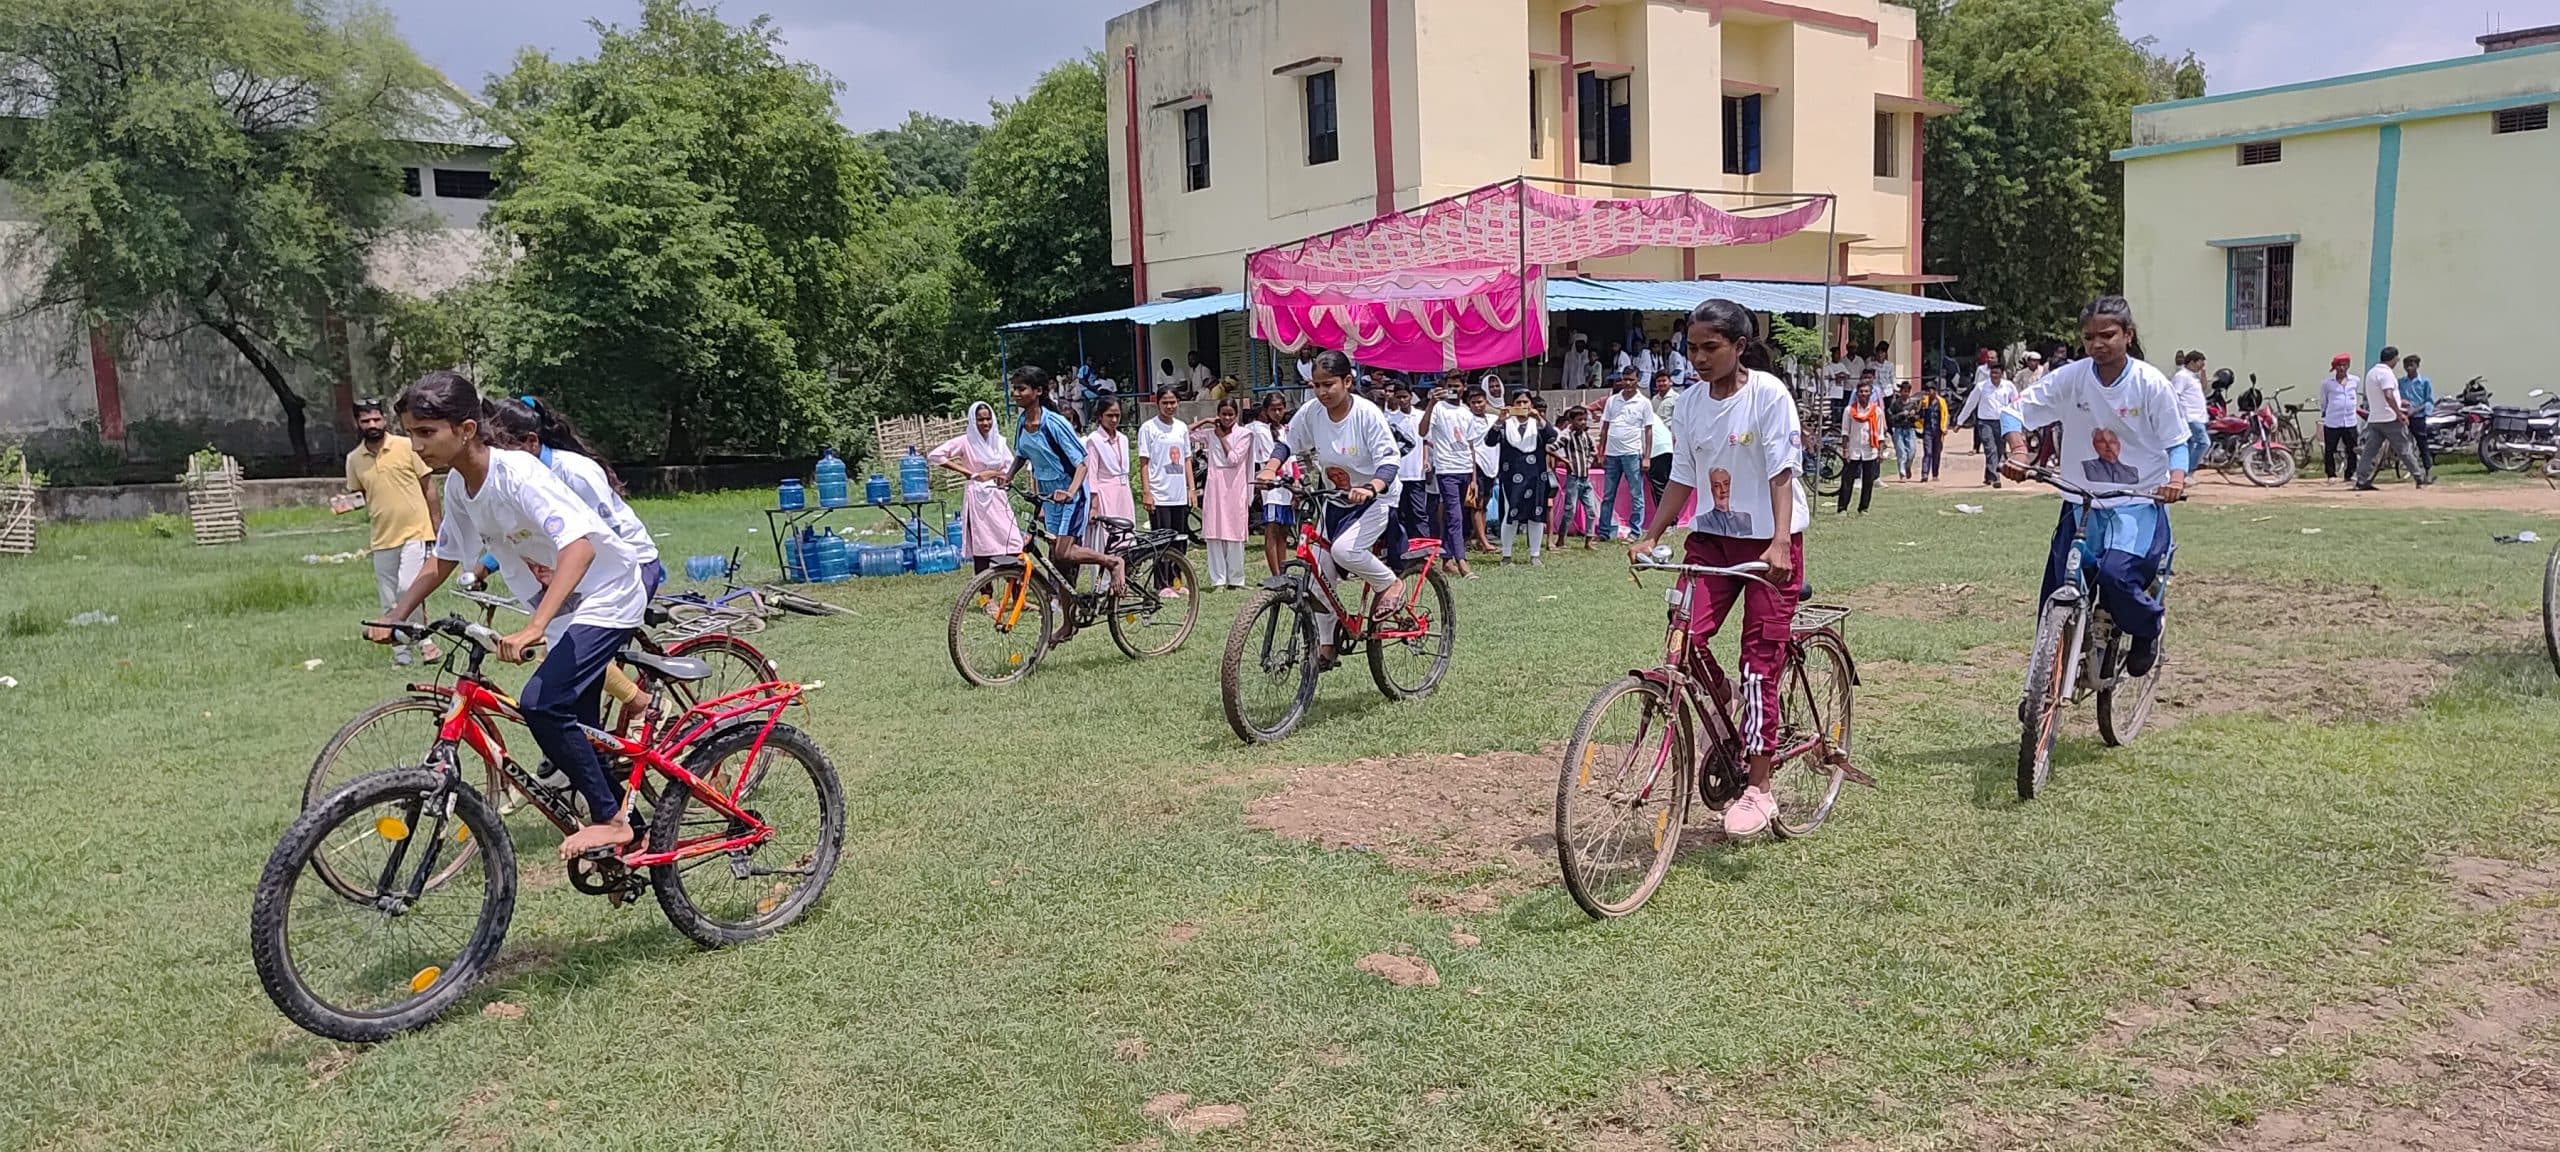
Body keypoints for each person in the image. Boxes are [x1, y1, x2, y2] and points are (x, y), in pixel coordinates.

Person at [374, 372, 647, 858]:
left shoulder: (517, 474)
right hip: (567, 606)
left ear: (466, 430)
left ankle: (611, 821)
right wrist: (397, 613)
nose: (416, 446)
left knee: (541, 704)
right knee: (580, 729)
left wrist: (535, 627)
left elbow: (579, 547)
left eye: (425, 432)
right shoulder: (460, 484)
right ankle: (634, 828)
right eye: (412, 433)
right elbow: (445, 556)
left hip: (607, 595)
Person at [1631, 299, 1808, 838]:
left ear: (1739, 346)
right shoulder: (1687, 405)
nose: (1699, 358)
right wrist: (1652, 533)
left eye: (1711, 348)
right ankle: (1722, 696)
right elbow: (1683, 475)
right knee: (1682, 634)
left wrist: (1781, 541)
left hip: (1769, 545)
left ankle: (1759, 787)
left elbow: (1781, 471)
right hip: (1712, 539)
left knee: (1760, 661)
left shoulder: (1768, 395)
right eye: (1692, 348)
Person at [1997, 296, 2189, 680]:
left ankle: (2147, 628)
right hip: (2080, 504)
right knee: (2057, 586)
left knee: (2118, 577)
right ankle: (2044, 684)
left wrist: (2176, 480)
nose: (2097, 344)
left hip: (2137, 507)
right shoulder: (2072, 378)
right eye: (2089, 338)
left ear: (2128, 336)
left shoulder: (2149, 383)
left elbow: (2177, 443)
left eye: (2108, 335)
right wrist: (2018, 450)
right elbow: (2015, 409)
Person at [1259, 349, 1404, 671]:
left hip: (1377, 499)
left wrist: (1370, 488)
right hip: (1334, 499)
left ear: (1348, 381)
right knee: (1317, 575)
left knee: (1344, 551)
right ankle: (1327, 645)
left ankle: (1390, 583)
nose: (1323, 392)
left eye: (1329, 384)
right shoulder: (1311, 412)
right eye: (1317, 385)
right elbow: (1288, 443)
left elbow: (1390, 461)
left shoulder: (1366, 414)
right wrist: (1270, 470)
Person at [1006, 367, 1125, 617]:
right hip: (1049, 498)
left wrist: (1070, 492)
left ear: (1037, 391)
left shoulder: (1055, 423)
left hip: (1072, 494)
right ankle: (1068, 621)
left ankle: (1113, 561)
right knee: (1057, 561)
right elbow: (1021, 453)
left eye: (1021, 388)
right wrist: (1007, 477)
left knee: (1063, 551)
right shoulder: (1021, 422)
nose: (1015, 393)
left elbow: (1082, 462)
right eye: (1014, 388)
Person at [337, 397, 441, 666]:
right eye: (366, 420)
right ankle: (401, 655)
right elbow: (362, 495)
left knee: (409, 588)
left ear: (384, 419)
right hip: (382, 537)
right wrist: (345, 505)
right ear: (357, 423)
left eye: (376, 419)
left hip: (416, 531)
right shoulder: (354, 460)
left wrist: (437, 525)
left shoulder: (406, 446)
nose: (372, 424)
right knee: (388, 598)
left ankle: (425, 642)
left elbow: (429, 487)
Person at [932, 401, 1030, 574]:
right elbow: (936, 455)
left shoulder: (998, 442)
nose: (985, 424)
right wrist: (967, 473)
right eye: (980, 420)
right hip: (978, 498)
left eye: (988, 419)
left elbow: (1009, 465)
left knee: (1013, 542)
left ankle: (1016, 594)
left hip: (998, 497)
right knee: (982, 547)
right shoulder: (965, 442)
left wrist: (1003, 477)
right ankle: (986, 597)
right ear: (973, 421)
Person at [1417, 381, 1489, 579]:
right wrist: (1431, 403)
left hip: (1465, 469)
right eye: (1450, 385)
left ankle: (1447, 558)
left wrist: (1474, 477)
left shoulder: (1466, 412)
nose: (1453, 389)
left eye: (1457, 386)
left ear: (1463, 387)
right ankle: (1462, 561)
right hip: (1446, 469)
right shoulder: (1439, 408)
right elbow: (1422, 432)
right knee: (1454, 515)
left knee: (1456, 517)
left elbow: (1471, 446)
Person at [1190, 398, 1257, 589]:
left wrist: (1221, 438)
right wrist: (1205, 421)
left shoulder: (1245, 434)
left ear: (1236, 415)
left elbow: (1235, 459)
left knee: (1234, 532)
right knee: (1214, 532)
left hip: (1235, 485)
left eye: (1231, 414)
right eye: (1223, 414)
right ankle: (1218, 579)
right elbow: (1185, 433)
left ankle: (1236, 578)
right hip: (1215, 484)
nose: (1227, 418)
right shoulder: (1210, 433)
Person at [1485, 394, 1556, 564]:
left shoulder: (1538, 424)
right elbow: (1489, 441)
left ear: (1531, 405)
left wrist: (1538, 417)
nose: (1522, 405)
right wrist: (1500, 421)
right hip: (1511, 476)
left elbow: (1552, 436)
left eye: (1525, 402)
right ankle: (1507, 554)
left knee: (1536, 514)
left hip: (1535, 476)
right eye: (1518, 402)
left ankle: (1535, 554)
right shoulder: (1505, 424)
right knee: (1510, 513)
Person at [2353, 346, 2429, 490]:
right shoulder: (2386, 374)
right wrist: (2399, 413)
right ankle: (2419, 477)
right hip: (2389, 418)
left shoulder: (2372, 373)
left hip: (2375, 418)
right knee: (2404, 449)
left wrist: (2400, 401)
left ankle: (2361, 480)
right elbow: (2388, 395)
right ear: (2393, 359)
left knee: (2369, 452)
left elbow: (2381, 396)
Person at [1083, 399, 1137, 584]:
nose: (1114, 420)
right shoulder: (1094, 441)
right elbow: (1092, 475)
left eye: (1117, 415)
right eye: (1109, 416)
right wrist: (1094, 505)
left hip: (1123, 491)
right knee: (1106, 539)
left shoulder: (1122, 438)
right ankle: (1104, 583)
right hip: (1106, 494)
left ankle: (1125, 579)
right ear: (1100, 417)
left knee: (1126, 537)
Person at [1597, 369, 1655, 541]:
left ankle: (1635, 531)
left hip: (1631, 453)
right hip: (1612, 454)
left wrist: (1647, 456)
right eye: (1625, 379)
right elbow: (1605, 427)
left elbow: (1649, 431)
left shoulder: (1644, 403)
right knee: (1608, 495)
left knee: (1636, 494)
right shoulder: (1613, 400)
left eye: (1631, 379)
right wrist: (1601, 451)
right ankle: (1604, 532)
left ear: (1637, 380)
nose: (1627, 383)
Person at [1138, 390, 1194, 547]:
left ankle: (1178, 572)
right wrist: (1147, 492)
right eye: (1165, 403)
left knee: (1180, 542)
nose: (1169, 406)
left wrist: (1191, 489)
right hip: (1159, 496)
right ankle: (1163, 573)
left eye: (1173, 402)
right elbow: (1144, 462)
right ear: (1158, 404)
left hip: (1179, 495)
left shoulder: (1181, 427)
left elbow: (1187, 459)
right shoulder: (1148, 428)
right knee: (1162, 545)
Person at [1382, 378, 1433, 545]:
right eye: (1399, 397)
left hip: (1415, 471)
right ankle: (1402, 546)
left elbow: (1424, 439)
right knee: (1399, 512)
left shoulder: (1420, 416)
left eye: (1405, 396)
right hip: (1397, 473)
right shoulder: (1390, 419)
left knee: (1419, 511)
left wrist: (1426, 459)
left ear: (1411, 396)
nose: (1402, 400)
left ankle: (1424, 546)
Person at [1254, 392, 1299, 575]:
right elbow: (1267, 460)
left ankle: (1283, 569)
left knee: (1284, 531)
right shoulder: (1261, 431)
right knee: (1272, 529)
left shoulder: (1288, 430)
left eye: (1280, 408)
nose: (1277, 412)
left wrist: (1297, 481)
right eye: (1273, 409)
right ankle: (1275, 573)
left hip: (1288, 486)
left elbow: (1294, 459)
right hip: (1273, 487)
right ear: (1266, 411)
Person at [1551, 404, 1599, 548]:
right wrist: (1565, 460)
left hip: (1585, 479)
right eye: (1579, 420)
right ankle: (1561, 538)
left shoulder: (1586, 436)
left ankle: (1589, 540)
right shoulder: (1567, 436)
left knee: (1591, 510)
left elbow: (1593, 451)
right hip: (1573, 478)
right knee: (1569, 510)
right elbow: (1550, 448)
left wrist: (1589, 462)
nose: (1583, 422)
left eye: (1584, 419)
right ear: (1571, 421)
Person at [1838, 377, 1885, 514]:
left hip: (1870, 450)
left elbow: (1880, 433)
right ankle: (1842, 508)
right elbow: (1845, 432)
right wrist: (1845, 450)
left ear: (1870, 393)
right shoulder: (1849, 411)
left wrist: (1880, 452)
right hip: (1853, 450)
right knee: (1847, 480)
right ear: (1857, 393)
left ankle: (1863, 508)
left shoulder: (1876, 411)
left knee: (1868, 481)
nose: (1863, 394)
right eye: (1861, 391)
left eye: (1866, 391)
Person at [2319, 354, 2362, 481]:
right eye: (2339, 365)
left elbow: (2356, 396)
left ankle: (2350, 473)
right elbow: (2324, 401)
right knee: (2330, 449)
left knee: (2352, 449)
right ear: (2335, 367)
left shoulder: (2355, 380)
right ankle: (2331, 474)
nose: (2342, 368)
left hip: (2350, 420)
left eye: (2344, 365)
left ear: (2348, 366)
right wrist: (2325, 412)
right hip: (2333, 421)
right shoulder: (2327, 383)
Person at [2170, 350, 2211, 479]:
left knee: (2191, 445)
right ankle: (2189, 471)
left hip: (2198, 416)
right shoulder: (2182, 376)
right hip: (2190, 416)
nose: (2201, 366)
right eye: (2200, 363)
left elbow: (2204, 387)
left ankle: (2182, 472)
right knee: (2204, 443)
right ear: (2192, 362)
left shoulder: (2193, 376)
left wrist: (2203, 373)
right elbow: (2175, 395)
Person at [1645, 371, 1676, 510]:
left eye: (1664, 381)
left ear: (1670, 381)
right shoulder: (1653, 400)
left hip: (1666, 444)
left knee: (1663, 483)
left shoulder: (1677, 398)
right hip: (1659, 442)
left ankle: (1670, 520)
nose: (1661, 384)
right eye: (1659, 381)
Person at [2401, 354, 2436, 474]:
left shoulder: (2424, 382)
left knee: (2422, 443)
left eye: (2412, 365)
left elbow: (2429, 401)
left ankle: (2428, 470)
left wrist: (2415, 410)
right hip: (2403, 416)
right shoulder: (2401, 382)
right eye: (2406, 365)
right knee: (2402, 442)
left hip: (2418, 416)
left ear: (2417, 366)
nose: (2409, 368)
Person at [1914, 379, 1950, 481]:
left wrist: (1945, 427)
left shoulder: (1941, 402)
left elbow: (1946, 415)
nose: (1927, 393)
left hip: (1938, 431)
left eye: (1929, 391)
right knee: (1927, 452)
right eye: (1926, 391)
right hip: (1928, 430)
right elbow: (1920, 414)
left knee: (1936, 453)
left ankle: (1935, 474)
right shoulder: (1924, 402)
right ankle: (1924, 474)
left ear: (1934, 391)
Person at [1886, 381, 1920, 480]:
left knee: (1912, 451)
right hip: (1899, 429)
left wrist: (1914, 416)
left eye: (1907, 392)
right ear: (1900, 392)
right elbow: (1890, 418)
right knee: (1901, 452)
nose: (1905, 394)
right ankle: (1902, 473)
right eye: (1904, 391)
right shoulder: (1895, 404)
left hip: (1910, 429)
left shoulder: (1913, 403)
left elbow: (1918, 417)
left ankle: (1907, 467)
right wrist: (1901, 414)